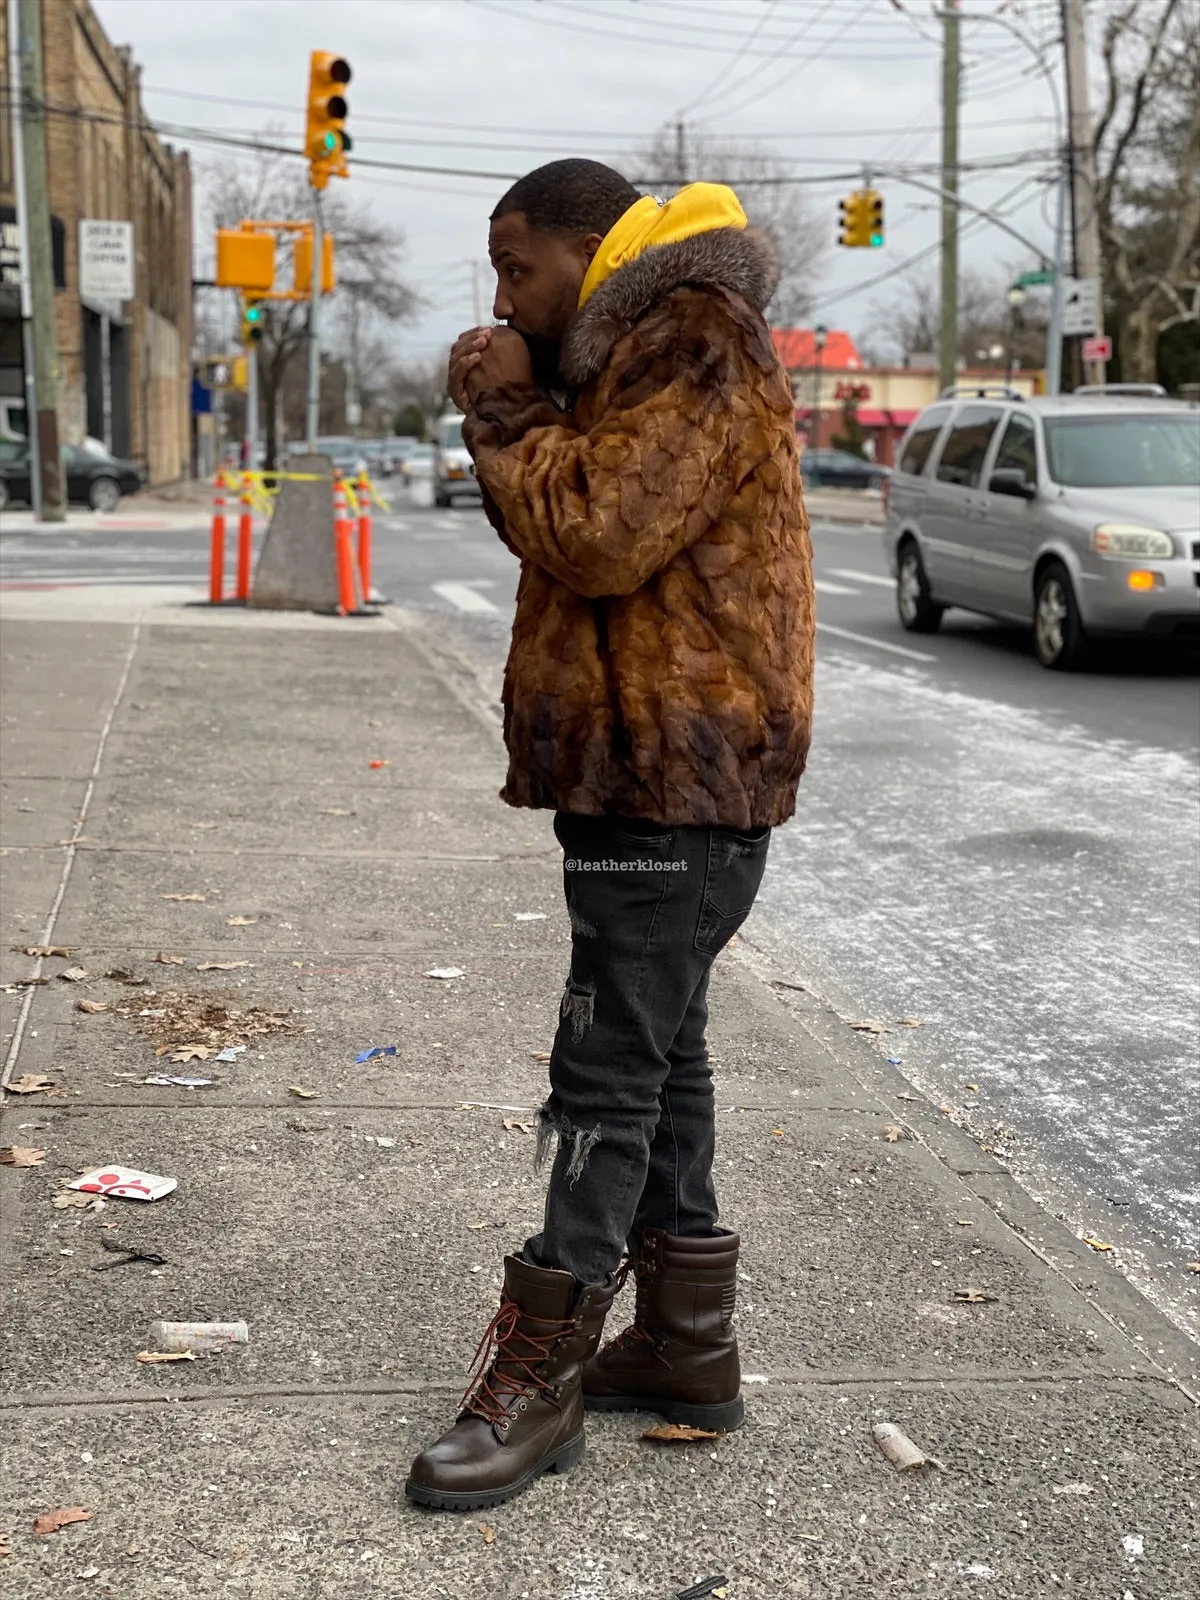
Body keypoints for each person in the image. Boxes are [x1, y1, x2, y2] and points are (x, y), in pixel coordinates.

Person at [405, 158, 814, 1512]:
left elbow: (590, 530)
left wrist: (509, 402)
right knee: (660, 1057)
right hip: (647, 782)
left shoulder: (693, 335)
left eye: (515, 263)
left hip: (676, 785)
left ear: (590, 249)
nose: (501, 293)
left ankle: (539, 1371)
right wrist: (537, 403)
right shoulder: (636, 352)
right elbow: (580, 511)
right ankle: (689, 1347)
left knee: (601, 1076)